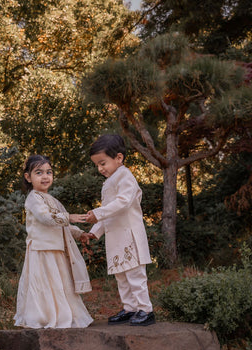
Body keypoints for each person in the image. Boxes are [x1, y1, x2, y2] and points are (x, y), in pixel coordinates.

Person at [81, 134, 155, 326]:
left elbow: (122, 203)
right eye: (97, 165)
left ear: (119, 158)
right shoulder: (109, 182)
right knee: (121, 275)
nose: (100, 168)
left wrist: (97, 213)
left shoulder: (126, 177)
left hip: (129, 236)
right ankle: (130, 308)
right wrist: (95, 231)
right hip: (115, 238)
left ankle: (145, 310)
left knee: (134, 275)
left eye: (103, 163)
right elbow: (109, 214)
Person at [14, 154, 93, 328]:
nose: (45, 176)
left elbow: (61, 226)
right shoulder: (33, 198)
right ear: (28, 177)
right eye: (39, 172)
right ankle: (43, 315)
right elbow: (46, 218)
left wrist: (80, 234)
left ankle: (64, 314)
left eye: (49, 172)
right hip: (42, 250)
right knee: (43, 284)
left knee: (60, 284)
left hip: (57, 249)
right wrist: (69, 216)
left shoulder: (52, 200)